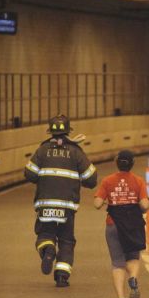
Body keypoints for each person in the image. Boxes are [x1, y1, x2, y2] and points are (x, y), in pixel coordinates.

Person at [24, 115, 97, 287]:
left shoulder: (42, 150)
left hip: (45, 204)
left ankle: (48, 250)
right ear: (68, 131)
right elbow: (91, 179)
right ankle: (62, 276)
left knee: (45, 234)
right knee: (66, 240)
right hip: (67, 206)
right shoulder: (75, 151)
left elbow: (29, 174)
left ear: (50, 131)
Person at [93, 150, 149, 298]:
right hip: (133, 225)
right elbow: (145, 205)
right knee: (133, 257)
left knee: (117, 262)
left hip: (113, 225)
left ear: (117, 163)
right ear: (132, 164)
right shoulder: (138, 181)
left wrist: (110, 203)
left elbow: (97, 203)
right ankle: (132, 278)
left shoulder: (108, 181)